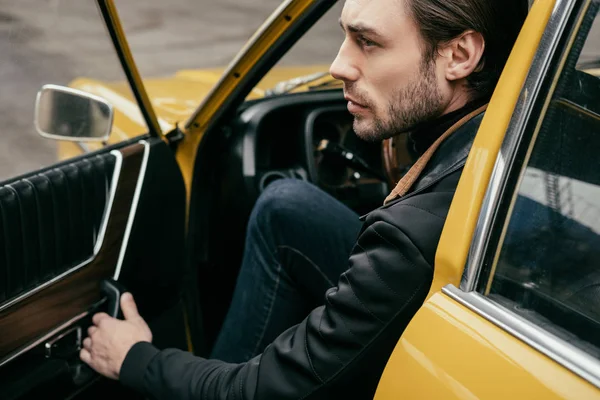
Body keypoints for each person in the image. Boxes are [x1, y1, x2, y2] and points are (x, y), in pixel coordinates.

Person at [79, 0, 529, 398]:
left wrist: (137, 358)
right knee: (285, 206)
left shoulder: (410, 237)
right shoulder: (534, 126)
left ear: (460, 55)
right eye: (344, 36)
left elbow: (266, 389)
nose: (338, 65)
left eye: (367, 42)